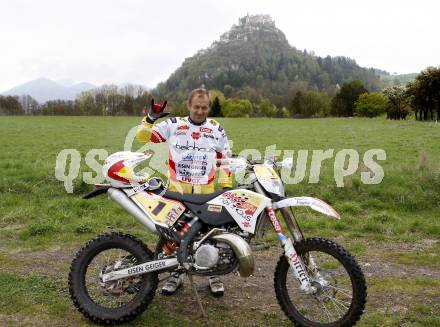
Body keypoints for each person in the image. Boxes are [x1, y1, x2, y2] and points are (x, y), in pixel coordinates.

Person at [136, 88, 232, 297]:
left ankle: (212, 274)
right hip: (178, 190)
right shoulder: (173, 125)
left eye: (204, 107)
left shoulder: (216, 129)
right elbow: (143, 136)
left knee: (209, 234)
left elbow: (225, 158)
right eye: (196, 107)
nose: (200, 111)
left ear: (208, 107)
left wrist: (226, 187)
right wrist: (151, 118)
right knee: (174, 235)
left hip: (205, 190)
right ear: (189, 105)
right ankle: (176, 273)